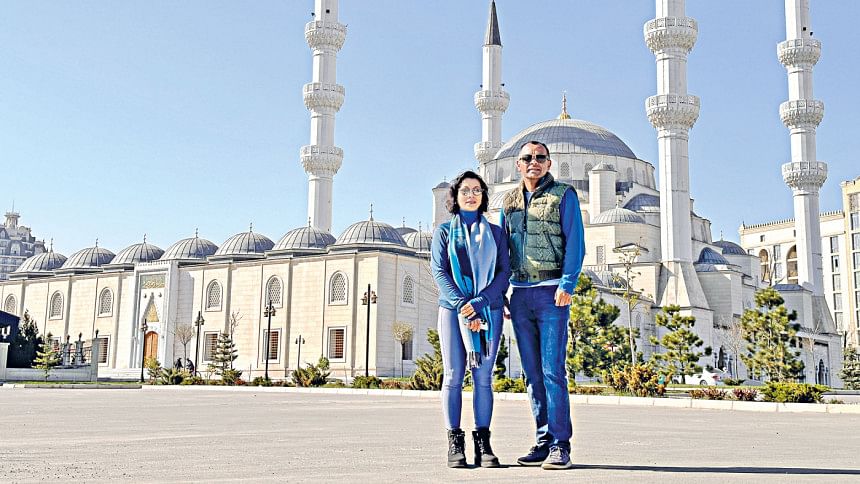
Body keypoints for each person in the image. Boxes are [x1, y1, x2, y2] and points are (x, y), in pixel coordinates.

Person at [501, 140, 585, 470]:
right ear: (518, 164)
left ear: (549, 163)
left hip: (551, 293)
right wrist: (501, 293)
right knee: (532, 374)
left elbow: (575, 240)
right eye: (527, 158)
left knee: (552, 371)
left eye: (540, 157)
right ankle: (543, 440)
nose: (533, 162)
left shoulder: (564, 195)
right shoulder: (508, 201)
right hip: (521, 295)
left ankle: (560, 444)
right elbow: (504, 250)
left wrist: (568, 283)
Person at [431, 170, 511, 468]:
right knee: (453, 376)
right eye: (465, 190)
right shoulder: (443, 232)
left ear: (483, 195)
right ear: (455, 196)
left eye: (477, 190)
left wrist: (479, 302)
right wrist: (464, 305)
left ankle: (483, 444)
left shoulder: (496, 233)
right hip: (453, 312)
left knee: (483, 378)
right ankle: (455, 442)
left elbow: (504, 273)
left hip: (489, 309)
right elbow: (439, 271)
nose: (471, 195)